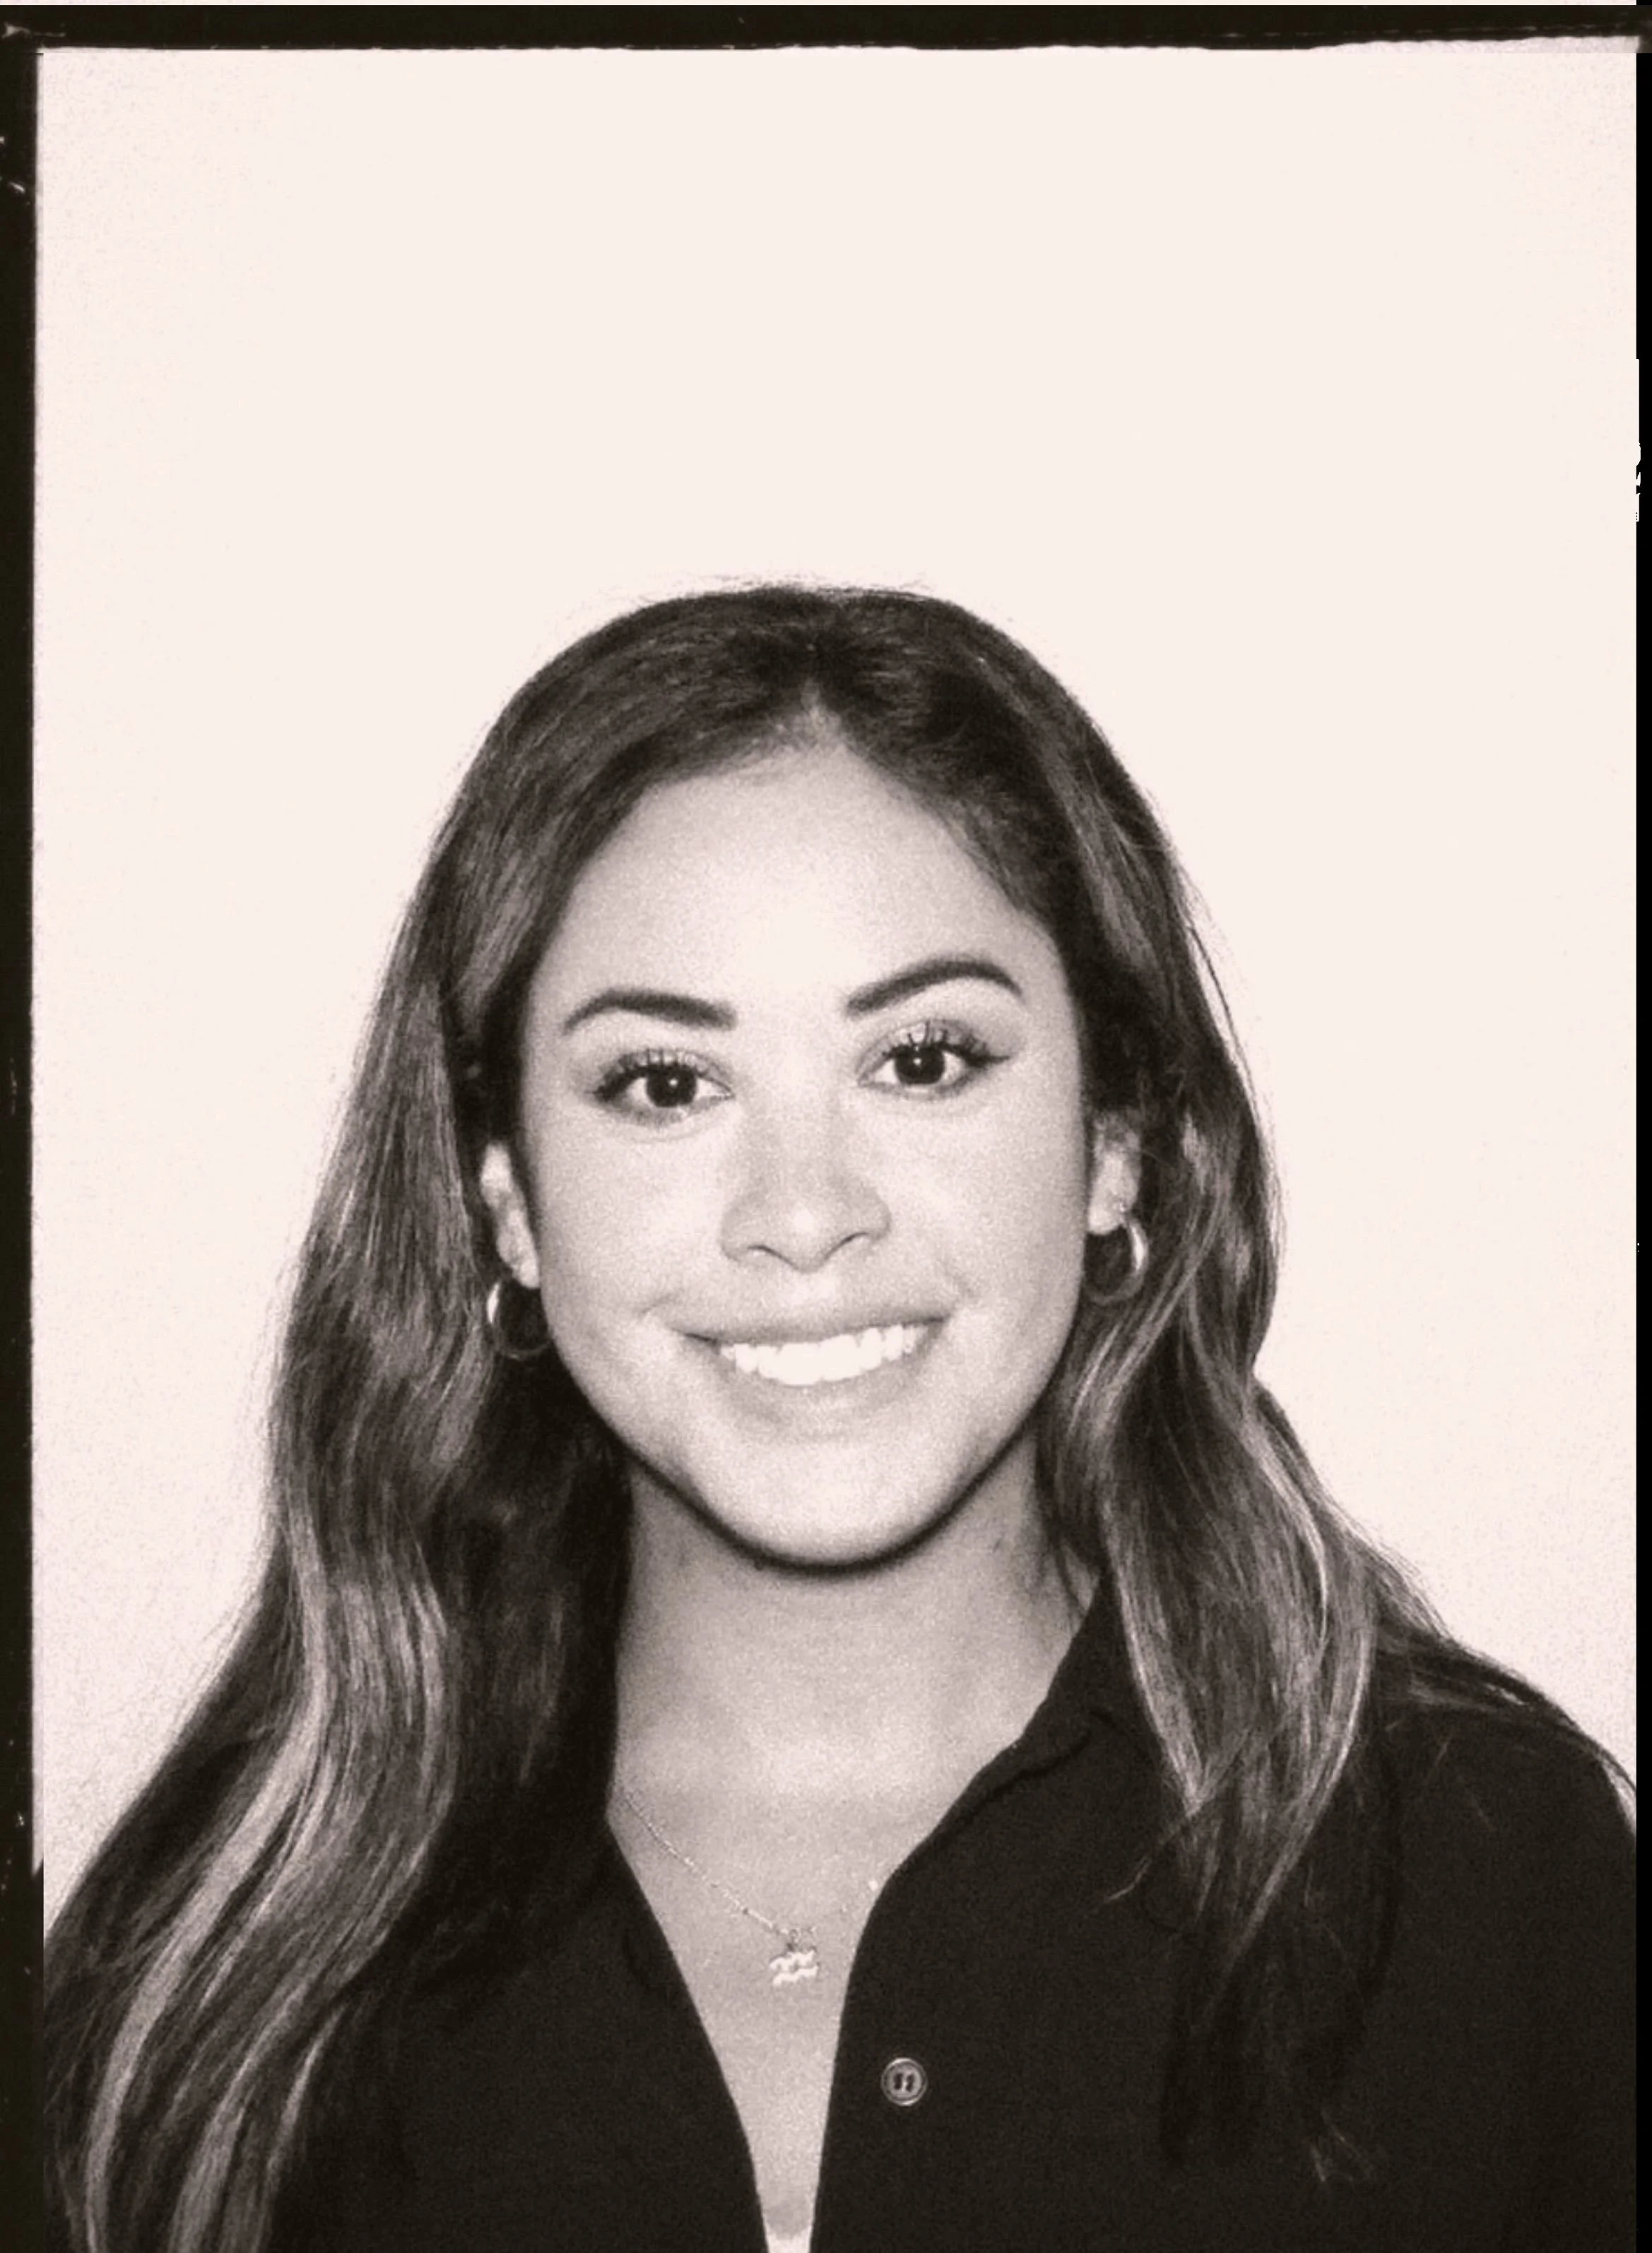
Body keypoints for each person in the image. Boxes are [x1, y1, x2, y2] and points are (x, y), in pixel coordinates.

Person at [45, 587, 1632, 2253]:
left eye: (924, 1060)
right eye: (665, 1083)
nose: (800, 1215)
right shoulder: (205, 1970)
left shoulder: (1480, 1881)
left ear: (1116, 1144)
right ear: (503, 1195)